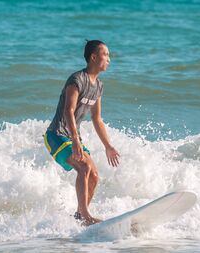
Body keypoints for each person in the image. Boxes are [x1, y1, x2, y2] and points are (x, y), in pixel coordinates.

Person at [43, 40, 120, 226]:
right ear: (93, 57)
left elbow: (97, 119)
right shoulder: (76, 80)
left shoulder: (98, 86)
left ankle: (79, 217)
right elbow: (68, 111)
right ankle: (86, 215)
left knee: (94, 175)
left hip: (71, 136)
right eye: (106, 54)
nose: (109, 59)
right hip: (57, 135)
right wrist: (76, 141)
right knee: (84, 167)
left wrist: (108, 146)